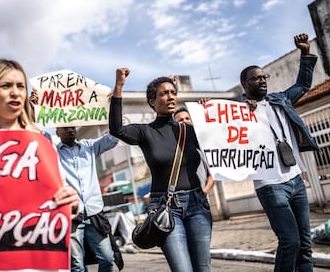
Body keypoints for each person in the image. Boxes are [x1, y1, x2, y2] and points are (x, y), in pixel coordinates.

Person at [109, 68, 212, 272]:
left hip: (197, 206)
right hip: (165, 208)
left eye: (173, 92)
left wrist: (209, 114)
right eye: (163, 93)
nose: (170, 97)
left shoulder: (191, 131)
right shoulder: (145, 132)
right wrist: (119, 86)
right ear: (152, 101)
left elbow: (222, 140)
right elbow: (117, 129)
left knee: (203, 269)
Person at [0, 58, 78, 230]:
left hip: (36, 239)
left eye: (21, 86)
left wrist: (72, 202)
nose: (16, 93)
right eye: (5, 86)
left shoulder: (42, 140)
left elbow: (60, 188)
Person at [240, 33, 318, 272]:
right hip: (270, 185)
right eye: (256, 78)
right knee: (290, 241)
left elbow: (303, 85)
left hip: (295, 179)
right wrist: (244, 110)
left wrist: (305, 52)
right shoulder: (238, 112)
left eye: (264, 76)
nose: (262, 80)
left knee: (305, 243)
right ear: (245, 85)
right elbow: (218, 127)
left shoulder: (280, 99)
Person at [55, 126, 120, 272]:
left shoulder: (89, 146)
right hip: (72, 215)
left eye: (72, 126)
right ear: (57, 132)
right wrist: (33, 109)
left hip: (94, 213)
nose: (70, 130)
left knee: (108, 259)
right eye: (65, 128)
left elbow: (113, 138)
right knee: (76, 265)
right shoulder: (54, 152)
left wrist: (114, 105)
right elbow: (38, 140)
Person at [173, 106, 214, 196]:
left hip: (201, 200)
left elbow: (211, 174)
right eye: (180, 120)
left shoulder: (202, 146)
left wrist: (205, 191)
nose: (185, 121)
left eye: (187, 118)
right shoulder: (172, 148)